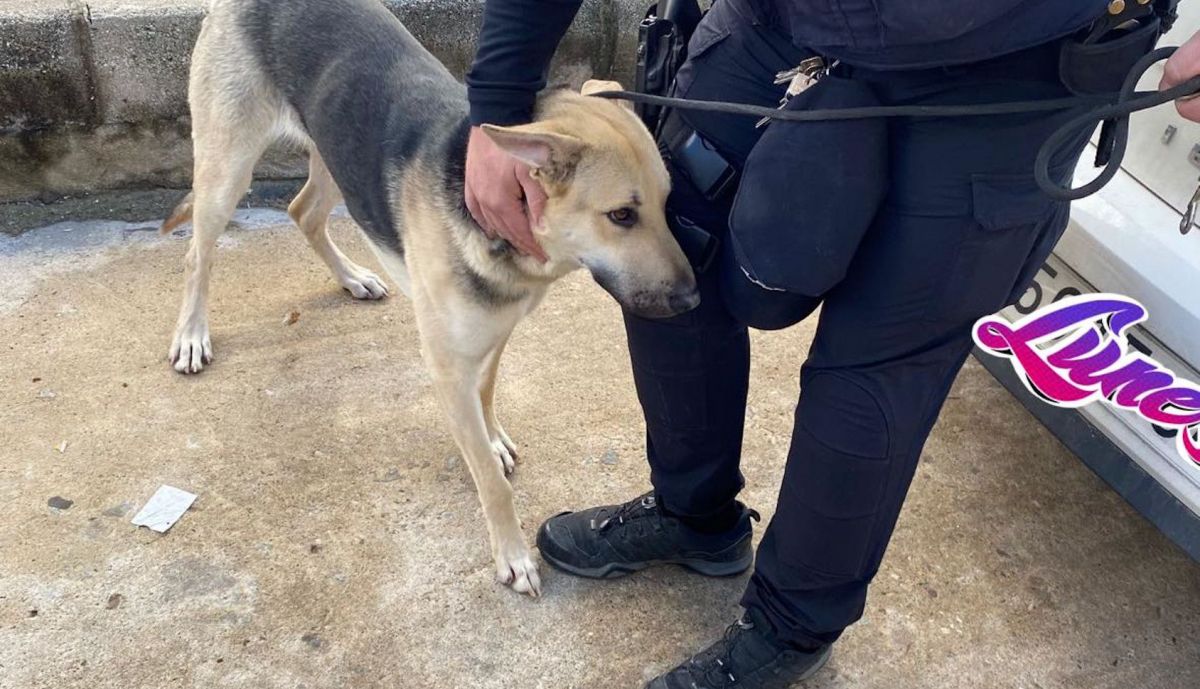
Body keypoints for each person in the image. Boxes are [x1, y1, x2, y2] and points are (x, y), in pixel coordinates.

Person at [464, 2, 1194, 687]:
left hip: (1012, 63)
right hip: (780, 24)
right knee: (667, 264)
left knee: (876, 369)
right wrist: (498, 104)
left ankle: (790, 625)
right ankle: (695, 516)